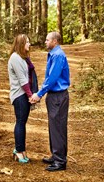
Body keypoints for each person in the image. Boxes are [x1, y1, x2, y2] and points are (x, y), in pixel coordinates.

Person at [30, 31, 70, 172]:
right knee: (54, 126)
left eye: (47, 40)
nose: (45, 42)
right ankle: (56, 155)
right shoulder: (54, 54)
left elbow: (53, 78)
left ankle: (60, 161)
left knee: (58, 127)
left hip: (58, 96)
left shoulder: (58, 55)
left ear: (55, 41)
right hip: (54, 96)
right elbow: (49, 78)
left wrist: (39, 94)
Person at [7, 34, 37, 163]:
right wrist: (31, 95)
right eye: (27, 42)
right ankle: (18, 151)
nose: (29, 45)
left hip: (24, 94)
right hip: (19, 95)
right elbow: (22, 80)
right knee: (20, 122)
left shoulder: (23, 58)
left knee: (22, 122)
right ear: (20, 44)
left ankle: (21, 149)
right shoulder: (15, 58)